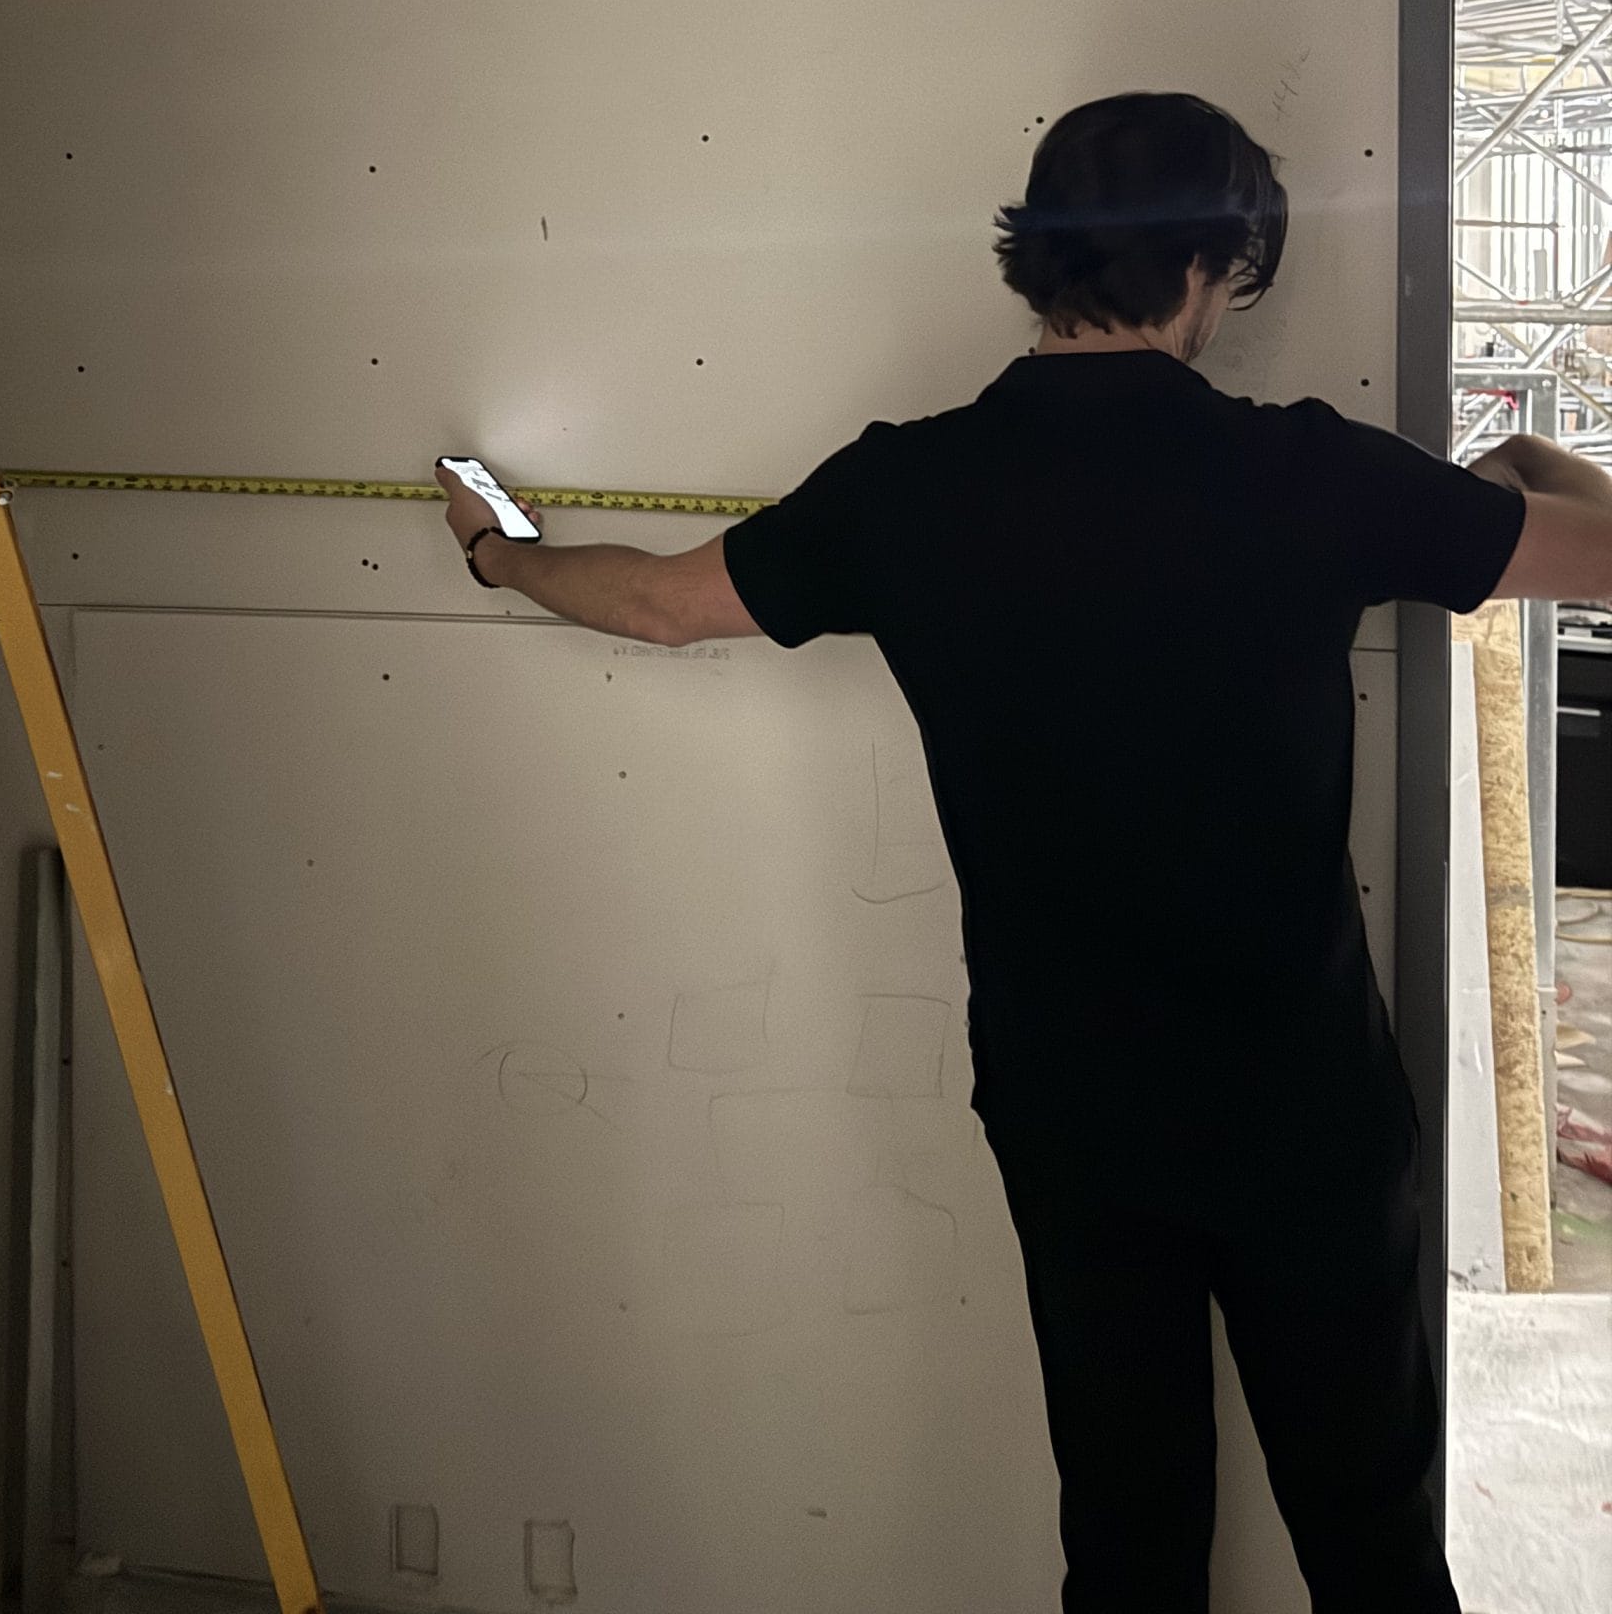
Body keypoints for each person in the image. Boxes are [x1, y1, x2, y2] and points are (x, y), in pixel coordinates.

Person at [433, 89, 1612, 1614]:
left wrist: (493, 548)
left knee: (1124, 1539)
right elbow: (1595, 550)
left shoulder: (907, 488)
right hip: (1300, 1105)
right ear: (1217, 267)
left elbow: (655, 603)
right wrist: (1518, 456)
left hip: (1070, 1106)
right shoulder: (1316, 477)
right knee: (1371, 1533)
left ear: (1036, 258)